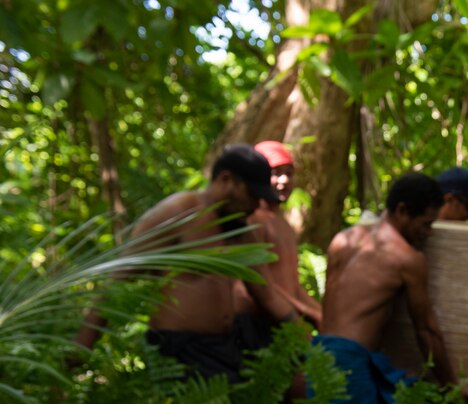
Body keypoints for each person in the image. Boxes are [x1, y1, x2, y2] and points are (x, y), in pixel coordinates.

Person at [73, 144, 300, 382]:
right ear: (226, 179)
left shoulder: (240, 226)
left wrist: (305, 338)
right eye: (252, 195)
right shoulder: (179, 212)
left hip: (226, 348)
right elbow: (119, 280)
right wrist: (82, 345)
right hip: (177, 350)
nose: (255, 205)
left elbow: (267, 294)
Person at [315, 172, 458, 404]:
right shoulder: (407, 258)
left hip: (319, 355)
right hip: (349, 367)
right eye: (426, 224)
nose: (428, 233)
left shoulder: (343, 239)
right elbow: (427, 330)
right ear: (402, 210)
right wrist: (452, 385)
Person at [234, 140, 323, 352]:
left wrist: (322, 315)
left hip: (285, 317)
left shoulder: (283, 223)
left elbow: (292, 284)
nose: (283, 180)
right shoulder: (254, 219)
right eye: (275, 173)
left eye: (289, 173)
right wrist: (305, 316)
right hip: (259, 322)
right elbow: (262, 286)